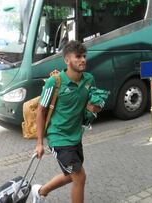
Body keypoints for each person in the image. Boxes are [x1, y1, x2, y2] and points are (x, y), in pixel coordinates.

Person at [32, 40, 101, 203]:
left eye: (84, 56)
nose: (83, 60)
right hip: (58, 137)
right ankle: (40, 192)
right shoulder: (54, 82)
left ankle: (41, 192)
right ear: (67, 60)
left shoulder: (89, 80)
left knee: (71, 175)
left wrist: (94, 109)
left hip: (76, 137)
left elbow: (92, 105)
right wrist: (39, 143)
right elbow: (41, 111)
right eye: (78, 57)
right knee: (80, 177)